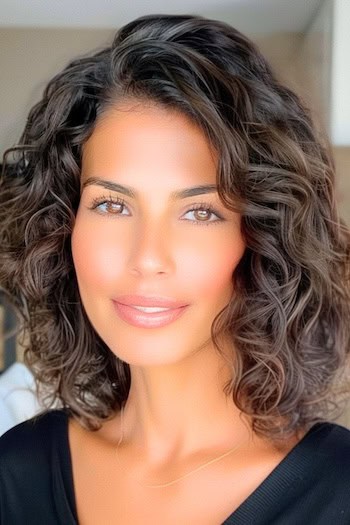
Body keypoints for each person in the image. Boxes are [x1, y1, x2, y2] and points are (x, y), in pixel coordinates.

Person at [0, 13, 350, 525]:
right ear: (63, 227)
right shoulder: (15, 476)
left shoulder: (338, 491)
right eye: (112, 205)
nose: (147, 257)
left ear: (261, 239)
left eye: (200, 212)